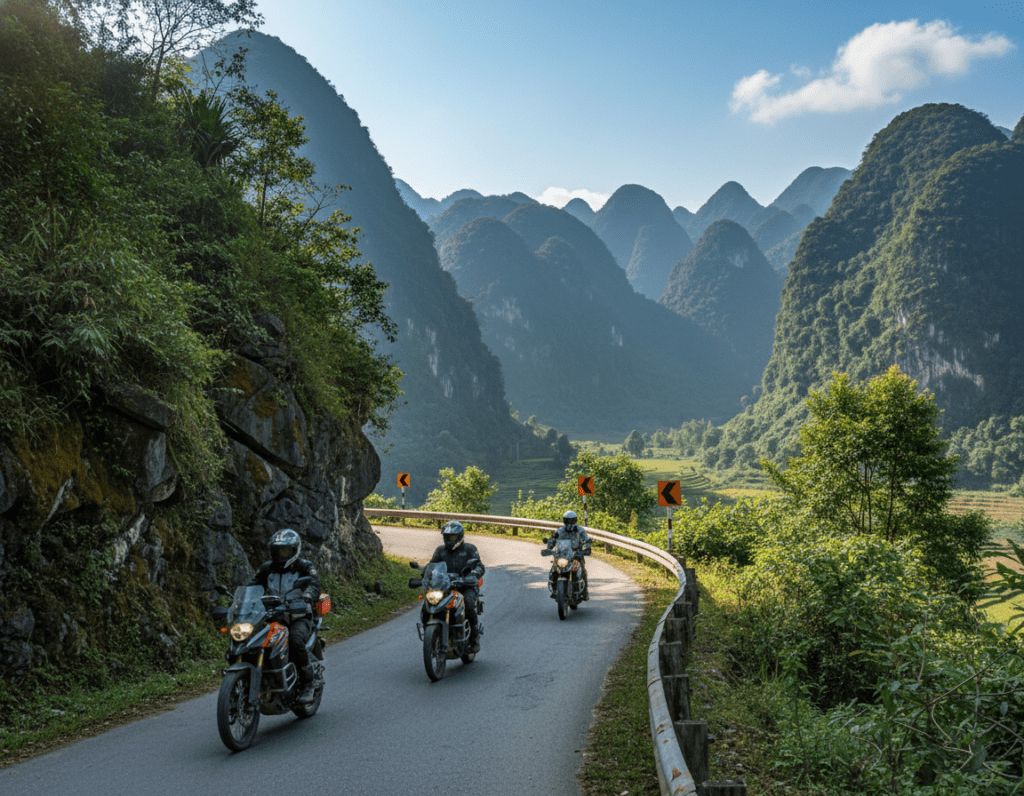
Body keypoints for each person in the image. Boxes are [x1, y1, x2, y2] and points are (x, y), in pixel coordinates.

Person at [249, 528, 321, 702]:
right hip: (273, 616)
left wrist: (307, 596)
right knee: (250, 639)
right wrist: (240, 602)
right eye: (278, 550)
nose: (281, 554)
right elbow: (253, 585)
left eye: (285, 550)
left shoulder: (304, 567)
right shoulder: (267, 568)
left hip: (298, 616)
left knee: (296, 641)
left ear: (294, 550)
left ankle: (308, 684)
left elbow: (314, 585)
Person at [428, 521, 484, 652]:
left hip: (466, 586)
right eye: (447, 537)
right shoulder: (440, 551)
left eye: (452, 537)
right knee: (431, 600)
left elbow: (479, 565)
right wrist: (424, 573)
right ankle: (432, 629)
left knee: (469, 604)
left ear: (459, 536)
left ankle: (474, 638)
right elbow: (432, 565)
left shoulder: (469, 549)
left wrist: (473, 575)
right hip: (445, 586)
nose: (449, 540)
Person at [546, 510, 592, 600]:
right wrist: (549, 546)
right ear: (564, 521)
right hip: (562, 555)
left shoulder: (580, 530)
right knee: (554, 570)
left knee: (582, 571)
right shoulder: (559, 531)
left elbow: (586, 539)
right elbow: (553, 539)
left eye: (571, 520)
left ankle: (585, 592)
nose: (569, 523)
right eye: (567, 520)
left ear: (575, 520)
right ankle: (555, 589)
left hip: (577, 555)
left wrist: (587, 547)